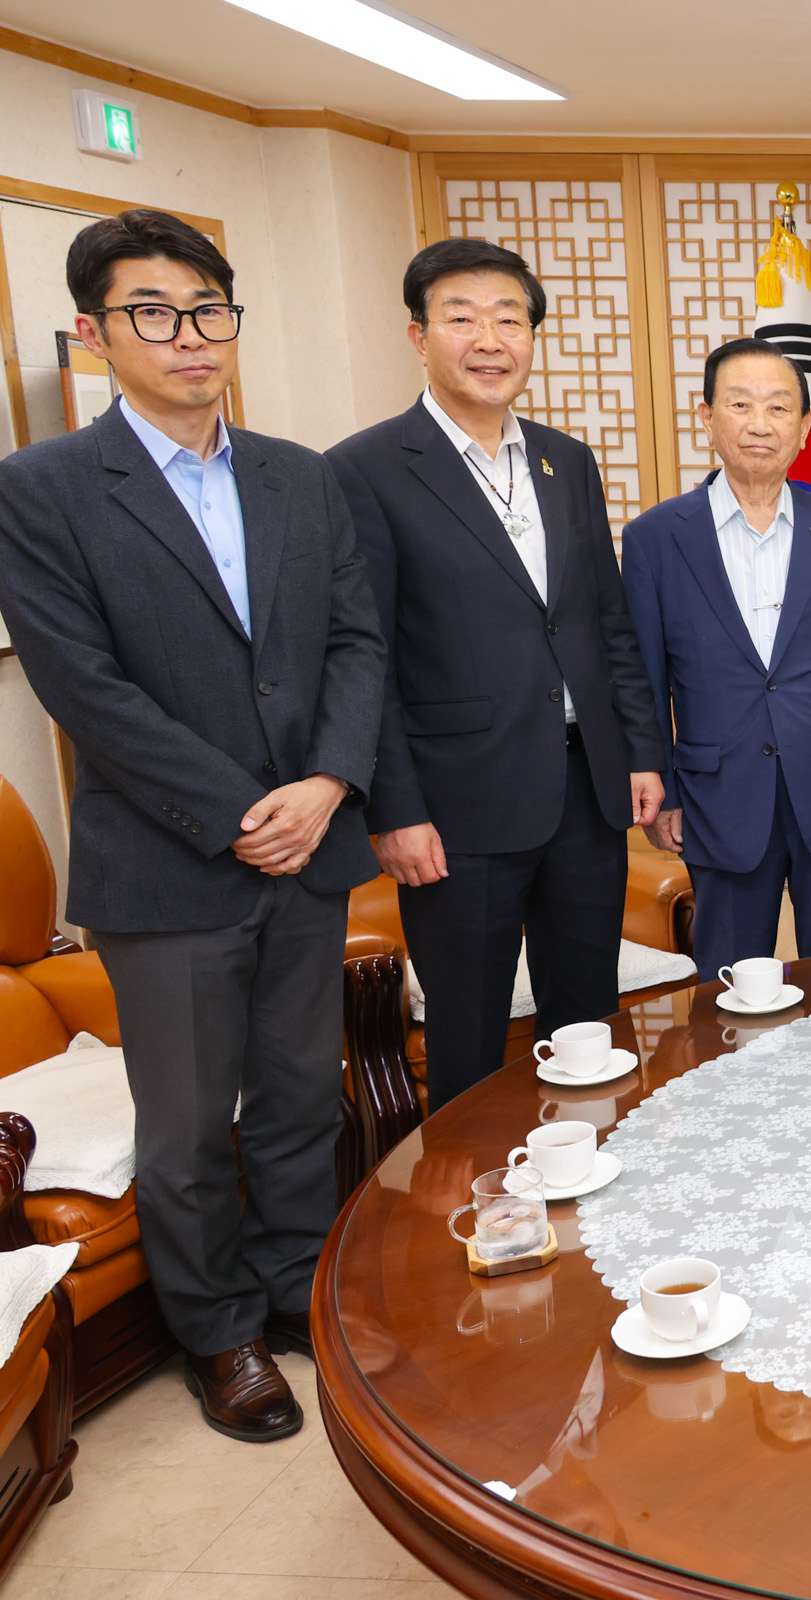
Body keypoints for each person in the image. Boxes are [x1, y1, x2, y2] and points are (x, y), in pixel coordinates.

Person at [0, 211, 382, 1441]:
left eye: (209, 309)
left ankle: (294, 1288)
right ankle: (219, 1334)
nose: (190, 336)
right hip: (166, 867)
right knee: (184, 1126)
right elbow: (83, 686)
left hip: (309, 844)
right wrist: (234, 813)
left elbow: (356, 643)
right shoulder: (42, 488)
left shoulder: (298, 474)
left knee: (299, 1096)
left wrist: (327, 782)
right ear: (93, 332)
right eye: (153, 313)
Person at [328, 238, 665, 1110]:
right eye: (462, 318)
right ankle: (471, 1189)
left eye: (509, 319)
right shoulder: (364, 469)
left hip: (584, 786)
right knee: (470, 1033)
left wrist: (639, 752)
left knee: (587, 1021)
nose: (489, 340)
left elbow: (605, 620)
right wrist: (394, 808)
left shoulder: (565, 459)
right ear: (418, 336)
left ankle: (587, 1160)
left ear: (531, 336)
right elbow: (365, 654)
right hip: (457, 805)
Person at [621, 338, 811, 971]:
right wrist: (659, 784)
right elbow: (644, 679)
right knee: (728, 979)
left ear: (804, 427)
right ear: (706, 417)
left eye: (778, 407)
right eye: (740, 404)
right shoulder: (655, 539)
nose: (759, 424)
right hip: (716, 791)